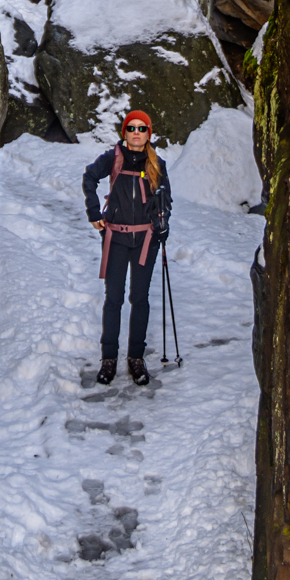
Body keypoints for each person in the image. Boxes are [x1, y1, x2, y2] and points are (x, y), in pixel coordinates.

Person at [83, 109, 172, 386]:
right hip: (116, 239)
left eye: (141, 128)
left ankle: (136, 358)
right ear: (124, 132)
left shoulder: (157, 163)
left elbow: (166, 199)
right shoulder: (113, 158)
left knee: (140, 298)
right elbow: (89, 177)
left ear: (148, 133)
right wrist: (94, 212)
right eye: (131, 128)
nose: (136, 133)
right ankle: (108, 359)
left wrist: (163, 222)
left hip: (146, 240)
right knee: (114, 299)